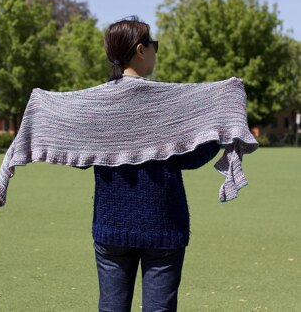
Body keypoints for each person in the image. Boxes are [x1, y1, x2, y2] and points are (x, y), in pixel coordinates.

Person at [82, 16, 221, 312]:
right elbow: (191, 157)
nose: (156, 51)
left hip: (111, 226)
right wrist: (218, 134)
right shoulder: (166, 102)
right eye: (153, 45)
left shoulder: (97, 103)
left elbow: (79, 156)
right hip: (163, 225)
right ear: (141, 50)